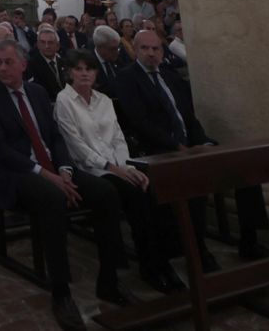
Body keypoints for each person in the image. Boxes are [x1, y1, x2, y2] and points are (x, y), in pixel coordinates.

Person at [0, 37, 114, 328]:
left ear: (23, 64)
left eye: (9, 62)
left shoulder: (37, 92)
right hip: (14, 173)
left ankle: (110, 278)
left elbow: (54, 136)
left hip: (53, 167)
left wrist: (63, 168)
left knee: (105, 191)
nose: (2, 68)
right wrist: (47, 174)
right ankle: (61, 292)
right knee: (52, 198)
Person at [114, 31, 268, 267]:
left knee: (246, 170)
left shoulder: (170, 76)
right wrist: (178, 146)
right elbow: (140, 123)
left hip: (191, 146)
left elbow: (188, 117)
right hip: (159, 151)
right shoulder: (127, 78)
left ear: (162, 52)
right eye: (145, 48)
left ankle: (249, 240)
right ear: (135, 49)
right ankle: (198, 250)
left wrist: (203, 143)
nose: (151, 53)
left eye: (156, 49)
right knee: (191, 182)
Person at [54, 50, 184, 295]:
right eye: (78, 69)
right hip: (90, 169)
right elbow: (76, 146)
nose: (84, 73)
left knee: (150, 189)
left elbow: (117, 138)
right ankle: (148, 266)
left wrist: (129, 168)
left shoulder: (103, 100)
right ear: (70, 72)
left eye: (89, 69)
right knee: (132, 195)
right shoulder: (64, 100)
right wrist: (113, 169)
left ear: (95, 73)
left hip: (117, 165)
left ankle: (160, 261)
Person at [90, 25, 131, 94]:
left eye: (118, 48)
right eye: (113, 49)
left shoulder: (120, 59)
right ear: (100, 47)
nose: (117, 52)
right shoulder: (88, 65)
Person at [28, 25, 67, 96]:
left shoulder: (64, 62)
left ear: (57, 46)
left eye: (50, 42)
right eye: (43, 42)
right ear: (38, 45)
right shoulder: (31, 65)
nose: (47, 46)